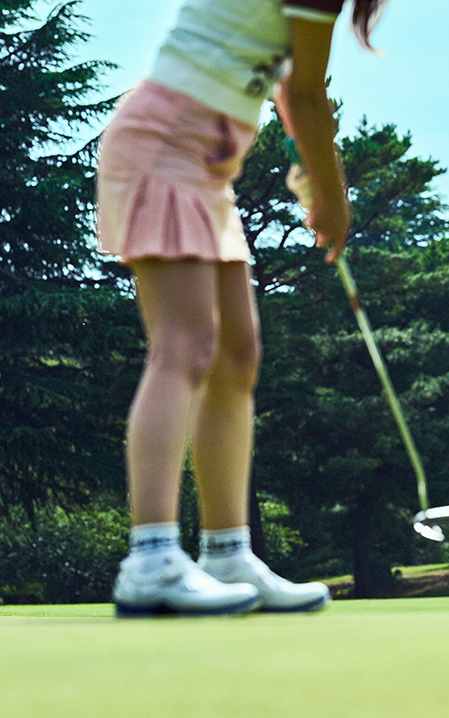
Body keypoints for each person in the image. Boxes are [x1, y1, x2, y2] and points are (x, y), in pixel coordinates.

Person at [96, 0, 387, 616]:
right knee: (185, 346)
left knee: (236, 357)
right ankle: (150, 559)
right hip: (165, 145)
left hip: (206, 168)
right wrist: (332, 198)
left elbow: (288, 90)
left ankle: (227, 553)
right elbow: (306, 95)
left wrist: (313, 169)